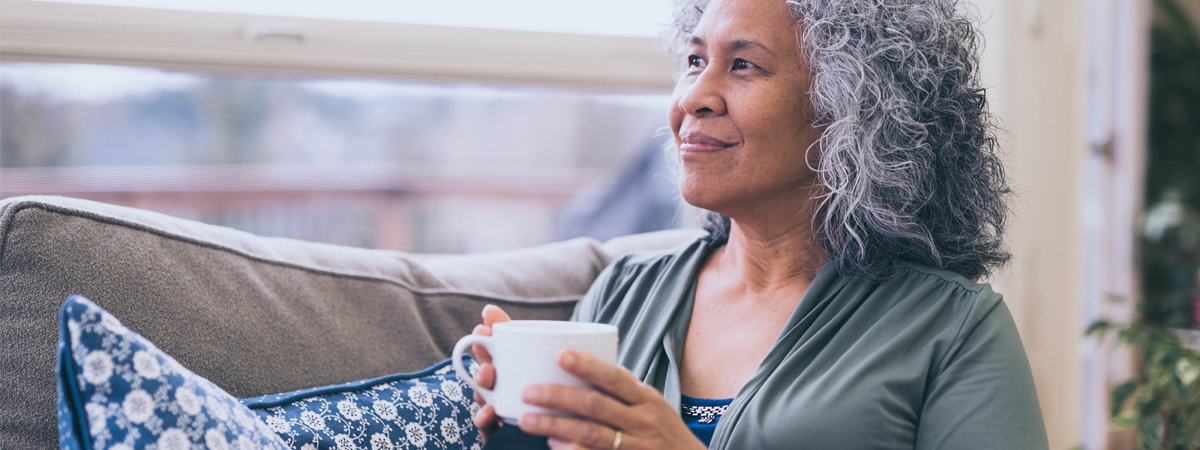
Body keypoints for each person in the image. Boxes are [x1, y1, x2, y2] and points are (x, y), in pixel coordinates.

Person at [470, 0, 1049, 448]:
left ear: (857, 108)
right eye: (695, 61)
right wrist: (521, 434)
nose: (694, 96)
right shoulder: (622, 292)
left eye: (743, 65)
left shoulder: (954, 329)